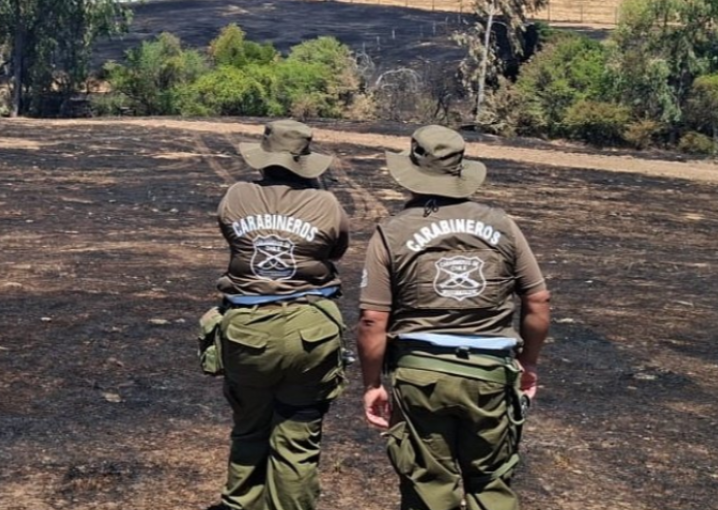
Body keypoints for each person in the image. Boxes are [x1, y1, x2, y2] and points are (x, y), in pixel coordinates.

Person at [356, 125, 551, 510]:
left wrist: (372, 383)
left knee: (428, 485)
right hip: (490, 373)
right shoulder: (502, 224)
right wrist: (528, 363)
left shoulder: (392, 232)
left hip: (420, 374)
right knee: (491, 483)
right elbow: (538, 301)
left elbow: (372, 320)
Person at [211, 120, 349, 510]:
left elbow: (232, 237)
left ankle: (241, 503)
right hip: (310, 329)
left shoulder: (237, 195)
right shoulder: (326, 204)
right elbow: (334, 251)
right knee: (298, 437)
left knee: (249, 428)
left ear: (263, 155)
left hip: (246, 328)